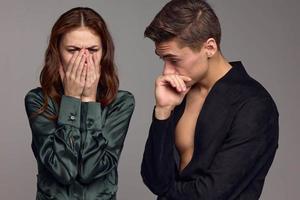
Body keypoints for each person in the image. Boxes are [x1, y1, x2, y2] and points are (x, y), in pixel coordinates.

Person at [141, 0, 279, 199]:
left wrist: (166, 194)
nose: (166, 71)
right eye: (163, 60)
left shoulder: (255, 105)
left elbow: (212, 194)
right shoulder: (179, 93)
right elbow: (154, 179)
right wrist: (162, 112)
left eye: (174, 60)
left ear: (210, 47)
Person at [24, 7, 134, 200]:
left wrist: (90, 102)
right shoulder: (38, 101)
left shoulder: (121, 103)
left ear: (104, 53)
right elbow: (63, 171)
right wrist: (72, 100)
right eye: (73, 50)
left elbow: (90, 170)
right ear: (57, 53)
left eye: (93, 50)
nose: (84, 60)